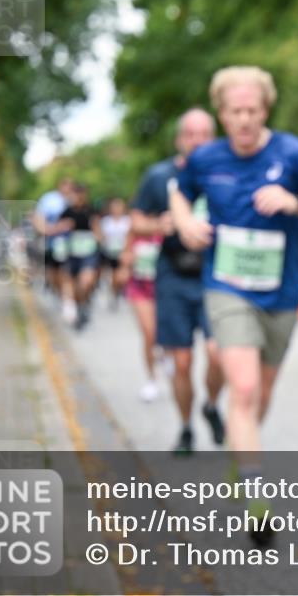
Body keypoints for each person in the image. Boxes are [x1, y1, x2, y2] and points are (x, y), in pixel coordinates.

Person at [172, 66, 298, 520]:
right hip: (226, 287)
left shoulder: (294, 152)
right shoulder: (205, 158)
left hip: (282, 292)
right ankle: (256, 496)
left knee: (261, 392)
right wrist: (185, 221)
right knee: (242, 387)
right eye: (235, 111)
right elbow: (179, 191)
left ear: (265, 110)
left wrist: (297, 203)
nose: (244, 120)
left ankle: (240, 454)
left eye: (252, 110)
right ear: (221, 114)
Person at [131, 108, 226, 454]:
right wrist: (162, 225)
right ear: (179, 139)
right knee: (182, 362)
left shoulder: (225, 174)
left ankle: (212, 405)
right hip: (173, 274)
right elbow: (135, 221)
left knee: (220, 356)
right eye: (191, 134)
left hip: (215, 275)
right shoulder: (159, 176)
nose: (198, 141)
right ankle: (186, 429)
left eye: (205, 134)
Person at [120, 230, 163, 402]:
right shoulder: (135, 230)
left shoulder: (168, 225)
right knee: (149, 333)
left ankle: (165, 354)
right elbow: (125, 256)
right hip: (140, 287)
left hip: (164, 288)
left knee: (162, 333)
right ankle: (151, 380)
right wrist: (126, 262)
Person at [56, 184, 101, 330]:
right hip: (71, 254)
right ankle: (78, 308)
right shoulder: (66, 212)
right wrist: (63, 227)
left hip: (88, 253)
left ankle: (83, 303)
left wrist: (98, 238)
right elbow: (57, 229)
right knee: (71, 285)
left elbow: (98, 231)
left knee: (85, 282)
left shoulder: (90, 211)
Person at [32, 177, 73, 300]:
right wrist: (50, 230)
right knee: (54, 271)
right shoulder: (49, 199)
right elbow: (39, 220)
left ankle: (69, 300)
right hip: (52, 243)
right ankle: (59, 292)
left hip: (71, 244)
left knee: (67, 272)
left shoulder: (75, 199)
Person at [99, 197, 131, 309]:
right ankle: (114, 293)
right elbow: (101, 236)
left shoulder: (127, 221)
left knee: (120, 276)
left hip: (123, 252)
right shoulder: (106, 221)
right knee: (113, 276)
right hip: (110, 252)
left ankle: (119, 291)